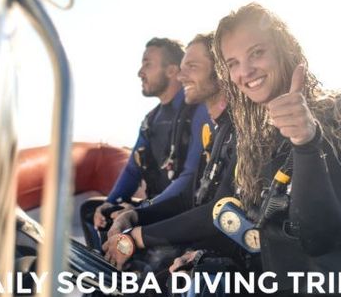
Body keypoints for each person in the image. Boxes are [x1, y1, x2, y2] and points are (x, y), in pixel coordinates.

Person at [157, 3, 341, 297]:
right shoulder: (261, 133)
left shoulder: (340, 119)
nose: (245, 71)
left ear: (284, 50)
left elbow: (318, 238)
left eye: (257, 53)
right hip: (281, 290)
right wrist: (204, 256)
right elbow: (250, 220)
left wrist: (306, 143)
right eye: (233, 62)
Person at [102, 33, 240, 272]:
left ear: (221, 71)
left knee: (155, 265)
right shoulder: (216, 131)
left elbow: (217, 210)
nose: (181, 75)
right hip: (197, 226)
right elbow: (190, 195)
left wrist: (138, 235)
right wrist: (135, 215)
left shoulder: (237, 130)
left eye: (192, 67)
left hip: (229, 254)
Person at [80, 37, 211, 249]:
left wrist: (142, 211)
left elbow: (189, 177)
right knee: (92, 211)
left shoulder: (199, 111)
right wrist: (110, 202)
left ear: (171, 71)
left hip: (180, 210)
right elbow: (132, 170)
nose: (140, 72)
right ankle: (107, 264)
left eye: (148, 64)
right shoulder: (151, 120)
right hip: (153, 205)